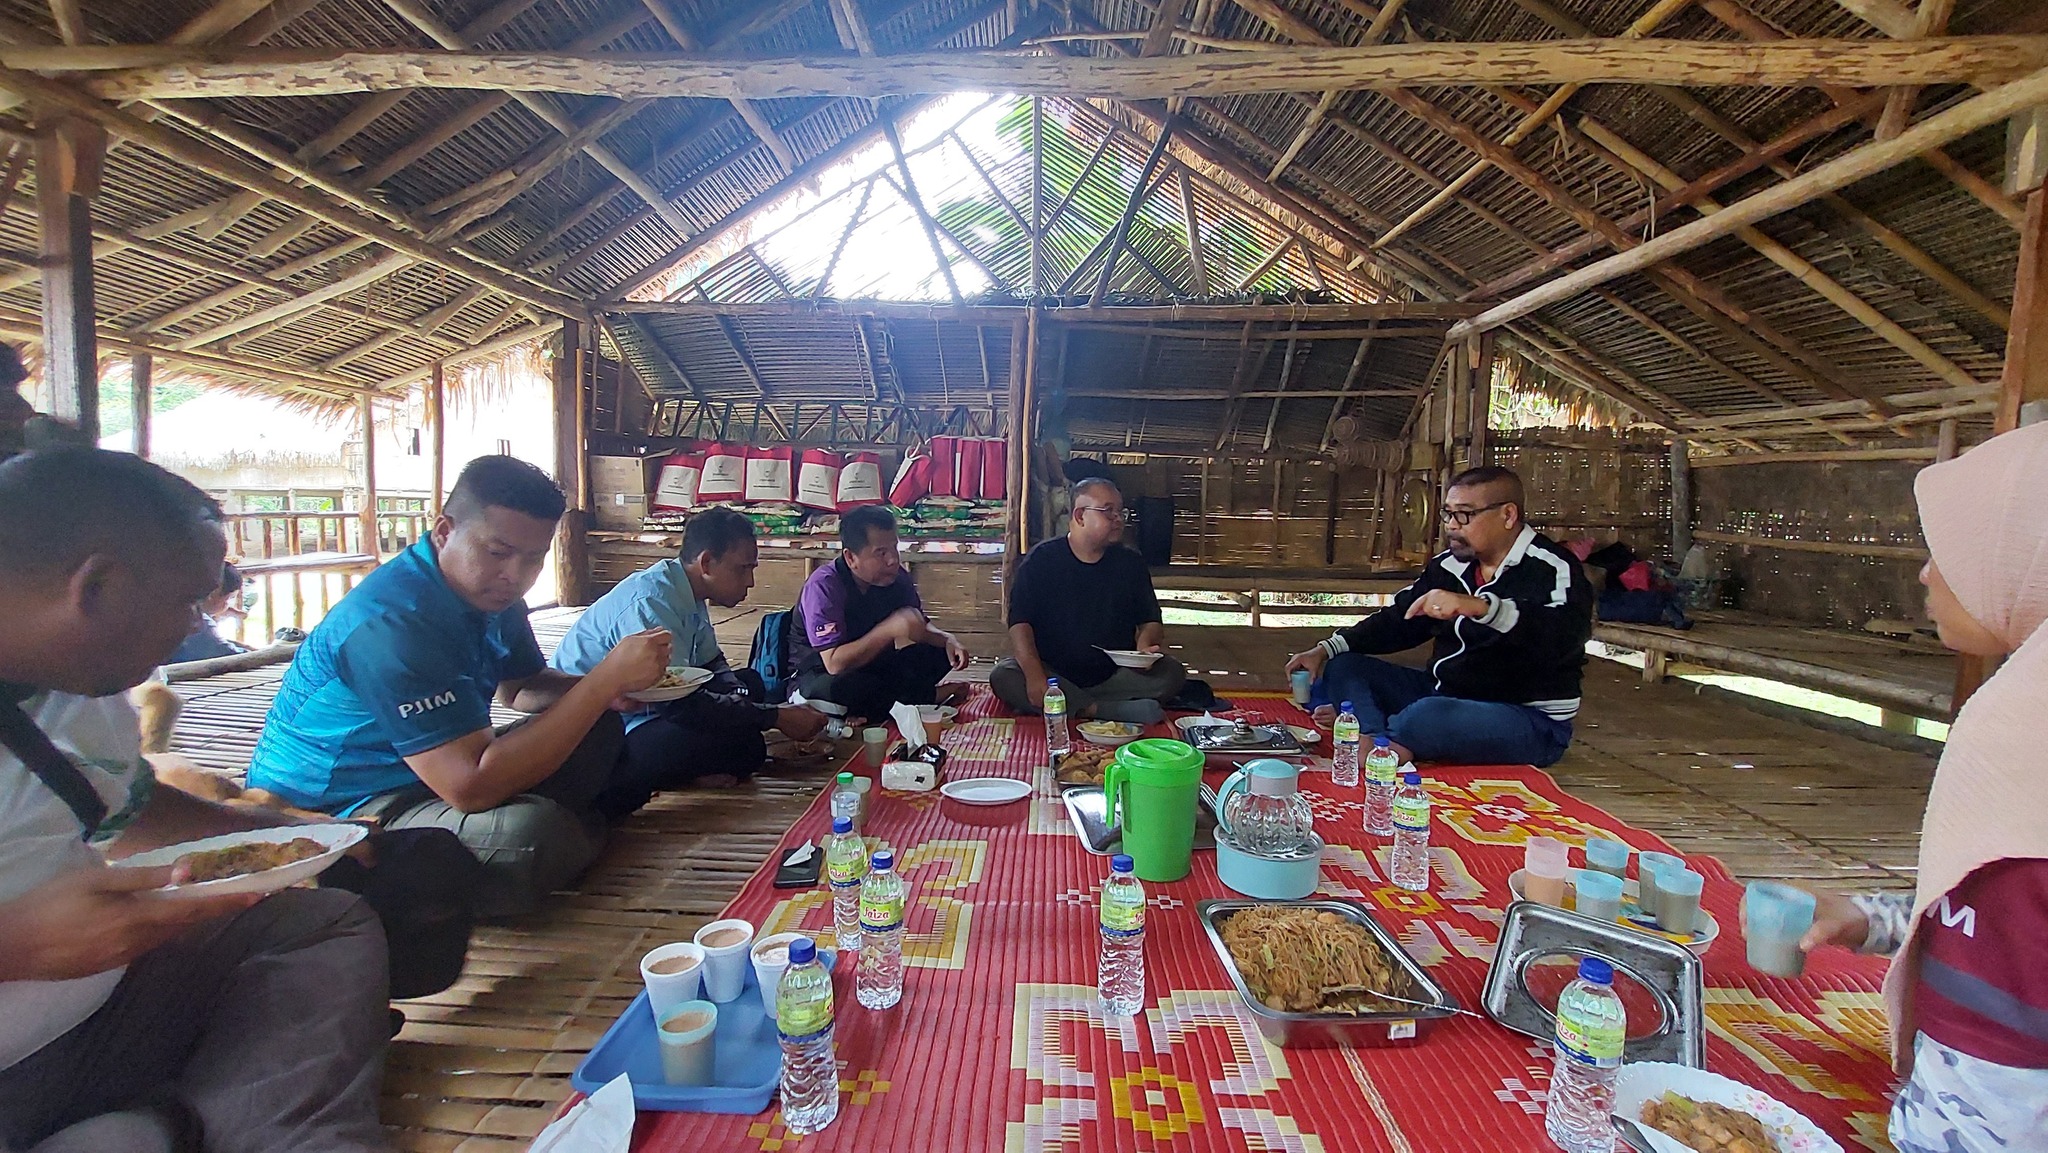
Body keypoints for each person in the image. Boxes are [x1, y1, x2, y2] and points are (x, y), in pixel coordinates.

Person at [0, 447, 390, 1152]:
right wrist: (19, 946)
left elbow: (122, 803)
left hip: (99, 1013)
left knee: (320, 925)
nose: (195, 625)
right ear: (97, 586)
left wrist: (277, 831)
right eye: (188, 601)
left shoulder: (83, 697)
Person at [1740, 423, 2048, 1153]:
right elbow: (2004, 918)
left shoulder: (2023, 726)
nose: (1926, 574)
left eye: (1953, 551)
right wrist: (1873, 918)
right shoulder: (2021, 708)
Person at [247, 456, 671, 918]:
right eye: (497, 552)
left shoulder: (492, 595)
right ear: (444, 531)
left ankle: (566, 837)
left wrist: (606, 691)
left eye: (534, 558)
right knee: (530, 837)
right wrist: (602, 680)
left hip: (435, 771)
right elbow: (470, 788)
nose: (516, 575)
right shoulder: (392, 625)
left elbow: (522, 688)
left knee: (599, 727)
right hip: (343, 806)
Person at [1284, 466, 1592, 767]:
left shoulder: (1552, 568)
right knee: (1344, 666)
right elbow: (1400, 621)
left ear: (1508, 515)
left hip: (1526, 718)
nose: (1451, 526)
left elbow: (1566, 636)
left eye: (1465, 515)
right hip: (1443, 693)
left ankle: (1385, 732)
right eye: (1448, 514)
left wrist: (1483, 608)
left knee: (1427, 716)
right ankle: (1374, 737)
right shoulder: (1450, 566)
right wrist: (1323, 650)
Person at [550, 507, 830, 801]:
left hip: (658, 705)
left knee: (752, 683)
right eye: (742, 569)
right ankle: (671, 772)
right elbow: (680, 706)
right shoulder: (651, 603)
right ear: (706, 563)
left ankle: (694, 763)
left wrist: (742, 699)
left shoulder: (688, 590)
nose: (750, 581)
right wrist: (773, 716)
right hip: (604, 727)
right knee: (748, 746)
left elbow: (713, 665)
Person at [992, 477, 1186, 723]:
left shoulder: (1130, 563)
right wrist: (1034, 674)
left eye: (1121, 512)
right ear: (1080, 515)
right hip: (1053, 675)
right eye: (1108, 511)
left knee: (1171, 672)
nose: (1118, 518)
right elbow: (1020, 624)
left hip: (1115, 677)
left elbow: (1151, 621)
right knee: (1004, 675)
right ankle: (1102, 710)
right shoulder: (1041, 560)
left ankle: (1073, 705)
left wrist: (1143, 650)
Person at [789, 505, 969, 721]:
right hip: (822, 675)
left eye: (894, 548)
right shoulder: (824, 586)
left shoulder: (896, 577)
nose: (892, 560)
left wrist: (947, 640)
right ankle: (927, 697)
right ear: (851, 558)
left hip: (874, 666)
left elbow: (919, 623)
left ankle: (894, 702)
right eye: (881, 553)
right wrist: (888, 629)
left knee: (940, 653)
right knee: (843, 688)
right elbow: (834, 663)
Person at [167, 563, 252, 664]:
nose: (228, 605)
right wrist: (254, 652)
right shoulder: (199, 622)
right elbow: (231, 656)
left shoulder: (173, 607)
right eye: (230, 598)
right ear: (213, 594)